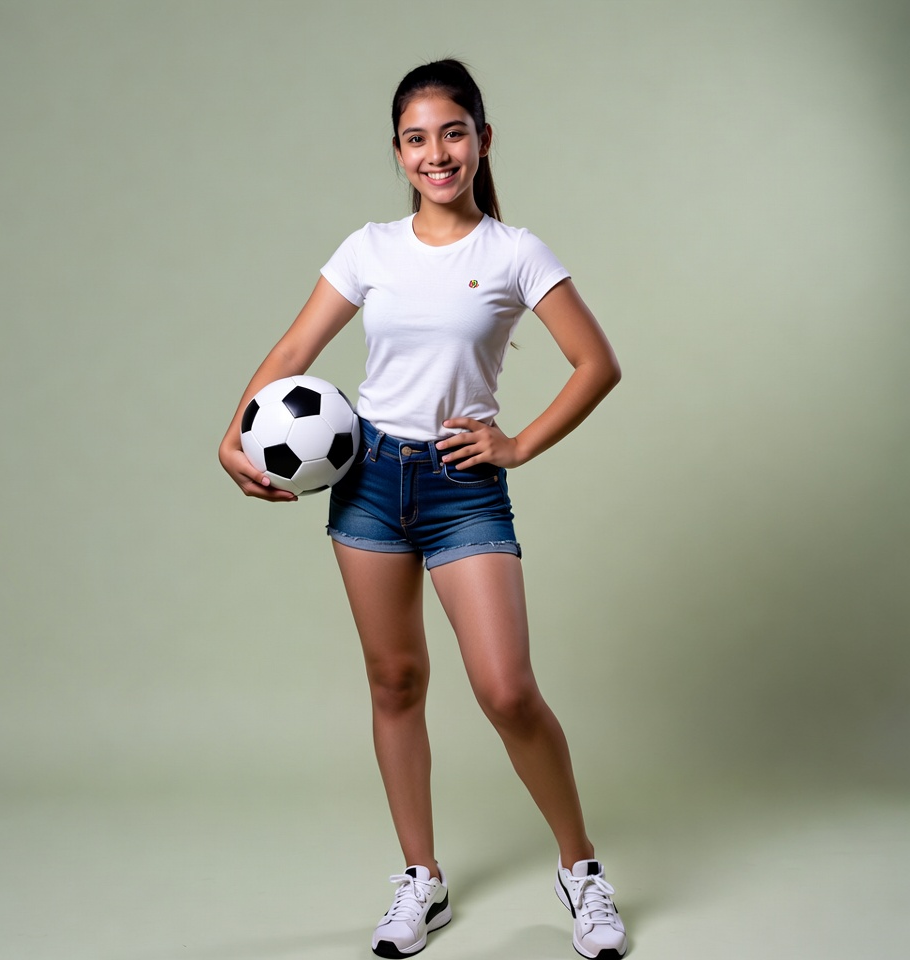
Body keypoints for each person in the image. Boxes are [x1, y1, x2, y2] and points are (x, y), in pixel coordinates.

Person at [219, 59, 626, 960]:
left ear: (482, 139)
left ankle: (582, 872)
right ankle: (421, 880)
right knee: (395, 682)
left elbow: (597, 363)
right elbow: (294, 347)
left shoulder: (516, 253)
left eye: (453, 132)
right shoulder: (368, 248)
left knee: (506, 690)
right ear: (397, 152)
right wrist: (234, 434)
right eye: (416, 138)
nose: (436, 153)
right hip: (366, 479)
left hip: (460, 483)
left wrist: (514, 443)